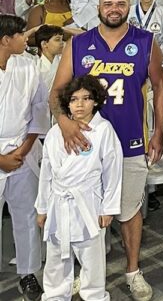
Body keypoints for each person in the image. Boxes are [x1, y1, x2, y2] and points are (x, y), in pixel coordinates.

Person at [50, 0, 163, 301]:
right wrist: (64, 122)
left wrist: (157, 132)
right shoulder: (79, 44)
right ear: (98, 7)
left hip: (129, 142)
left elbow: (160, 87)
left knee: (129, 209)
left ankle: (132, 271)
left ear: (128, 6)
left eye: (120, 3)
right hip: (86, 145)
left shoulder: (145, 41)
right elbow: (56, 91)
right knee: (84, 213)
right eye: (108, 3)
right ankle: (87, 276)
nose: (113, 8)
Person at [36, 75, 122, 301]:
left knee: (92, 259)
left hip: (88, 204)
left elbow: (113, 171)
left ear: (96, 101)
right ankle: (54, 295)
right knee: (56, 259)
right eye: (74, 99)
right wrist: (42, 207)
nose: (80, 104)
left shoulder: (103, 130)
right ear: (67, 103)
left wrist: (108, 208)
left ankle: (94, 295)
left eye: (86, 98)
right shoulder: (56, 133)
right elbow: (47, 173)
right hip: (58, 202)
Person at [0, 14, 47, 301]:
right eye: (21, 35)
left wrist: (25, 147)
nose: (26, 38)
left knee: (27, 215)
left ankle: (28, 273)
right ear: (6, 39)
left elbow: (39, 110)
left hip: (22, 151)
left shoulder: (29, 65)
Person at [34, 24, 64, 95]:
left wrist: (63, 28)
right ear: (44, 44)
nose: (62, 43)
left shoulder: (64, 61)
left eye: (62, 39)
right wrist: (33, 30)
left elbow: (86, 36)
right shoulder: (35, 64)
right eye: (57, 39)